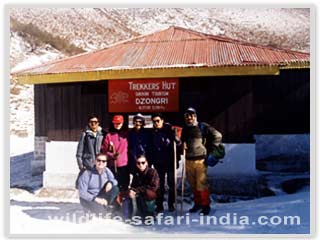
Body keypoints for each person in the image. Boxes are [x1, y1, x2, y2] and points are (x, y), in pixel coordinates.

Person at [181, 107, 222, 215]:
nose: (189, 118)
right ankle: (197, 204)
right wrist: (182, 144)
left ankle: (205, 205)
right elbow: (183, 142)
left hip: (200, 160)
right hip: (188, 160)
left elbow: (218, 135)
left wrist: (212, 148)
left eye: (191, 115)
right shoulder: (185, 128)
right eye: (187, 116)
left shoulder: (202, 126)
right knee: (193, 184)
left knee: (201, 184)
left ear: (195, 116)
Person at [149, 113, 178, 213]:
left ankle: (171, 204)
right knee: (159, 185)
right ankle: (159, 205)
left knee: (171, 184)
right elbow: (151, 148)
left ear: (162, 120)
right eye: (154, 122)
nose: (156, 123)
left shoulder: (169, 131)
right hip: (158, 163)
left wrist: (177, 140)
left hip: (170, 162)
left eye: (158, 121)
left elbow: (178, 144)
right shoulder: (152, 133)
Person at [122, 155, 159, 220]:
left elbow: (154, 187)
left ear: (146, 163)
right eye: (138, 163)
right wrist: (132, 190)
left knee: (146, 193)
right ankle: (130, 214)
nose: (141, 165)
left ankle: (150, 214)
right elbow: (134, 185)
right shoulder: (136, 173)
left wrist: (138, 190)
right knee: (128, 194)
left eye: (143, 162)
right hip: (140, 193)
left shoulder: (152, 172)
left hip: (150, 194)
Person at [101, 115, 129, 193]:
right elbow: (104, 150)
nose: (117, 125)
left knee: (124, 185)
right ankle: (114, 203)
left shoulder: (127, 134)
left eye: (119, 123)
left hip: (124, 165)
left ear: (123, 123)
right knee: (114, 185)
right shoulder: (108, 136)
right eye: (115, 123)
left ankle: (124, 203)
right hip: (113, 165)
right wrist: (111, 155)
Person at [75, 114, 104, 188]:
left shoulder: (102, 134)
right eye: (91, 122)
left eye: (95, 122)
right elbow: (79, 153)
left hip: (100, 165)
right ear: (89, 123)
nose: (93, 124)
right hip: (88, 165)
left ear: (98, 123)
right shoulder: (85, 135)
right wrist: (81, 166)